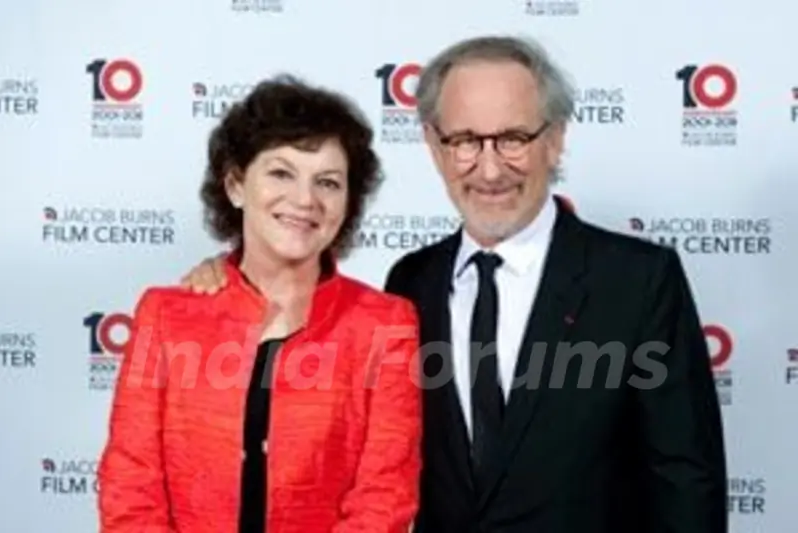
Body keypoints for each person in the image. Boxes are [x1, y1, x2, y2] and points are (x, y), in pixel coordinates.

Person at [179, 35, 728, 533]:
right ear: (434, 145)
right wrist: (227, 278)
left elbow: (687, 483)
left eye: (513, 138)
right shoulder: (410, 283)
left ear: (555, 139)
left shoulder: (638, 280)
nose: (489, 169)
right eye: (464, 140)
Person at [97, 74, 422, 533]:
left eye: (328, 182)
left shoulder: (386, 325)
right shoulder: (165, 315)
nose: (305, 199)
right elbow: (130, 487)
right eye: (281, 173)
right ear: (235, 185)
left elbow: (383, 499)